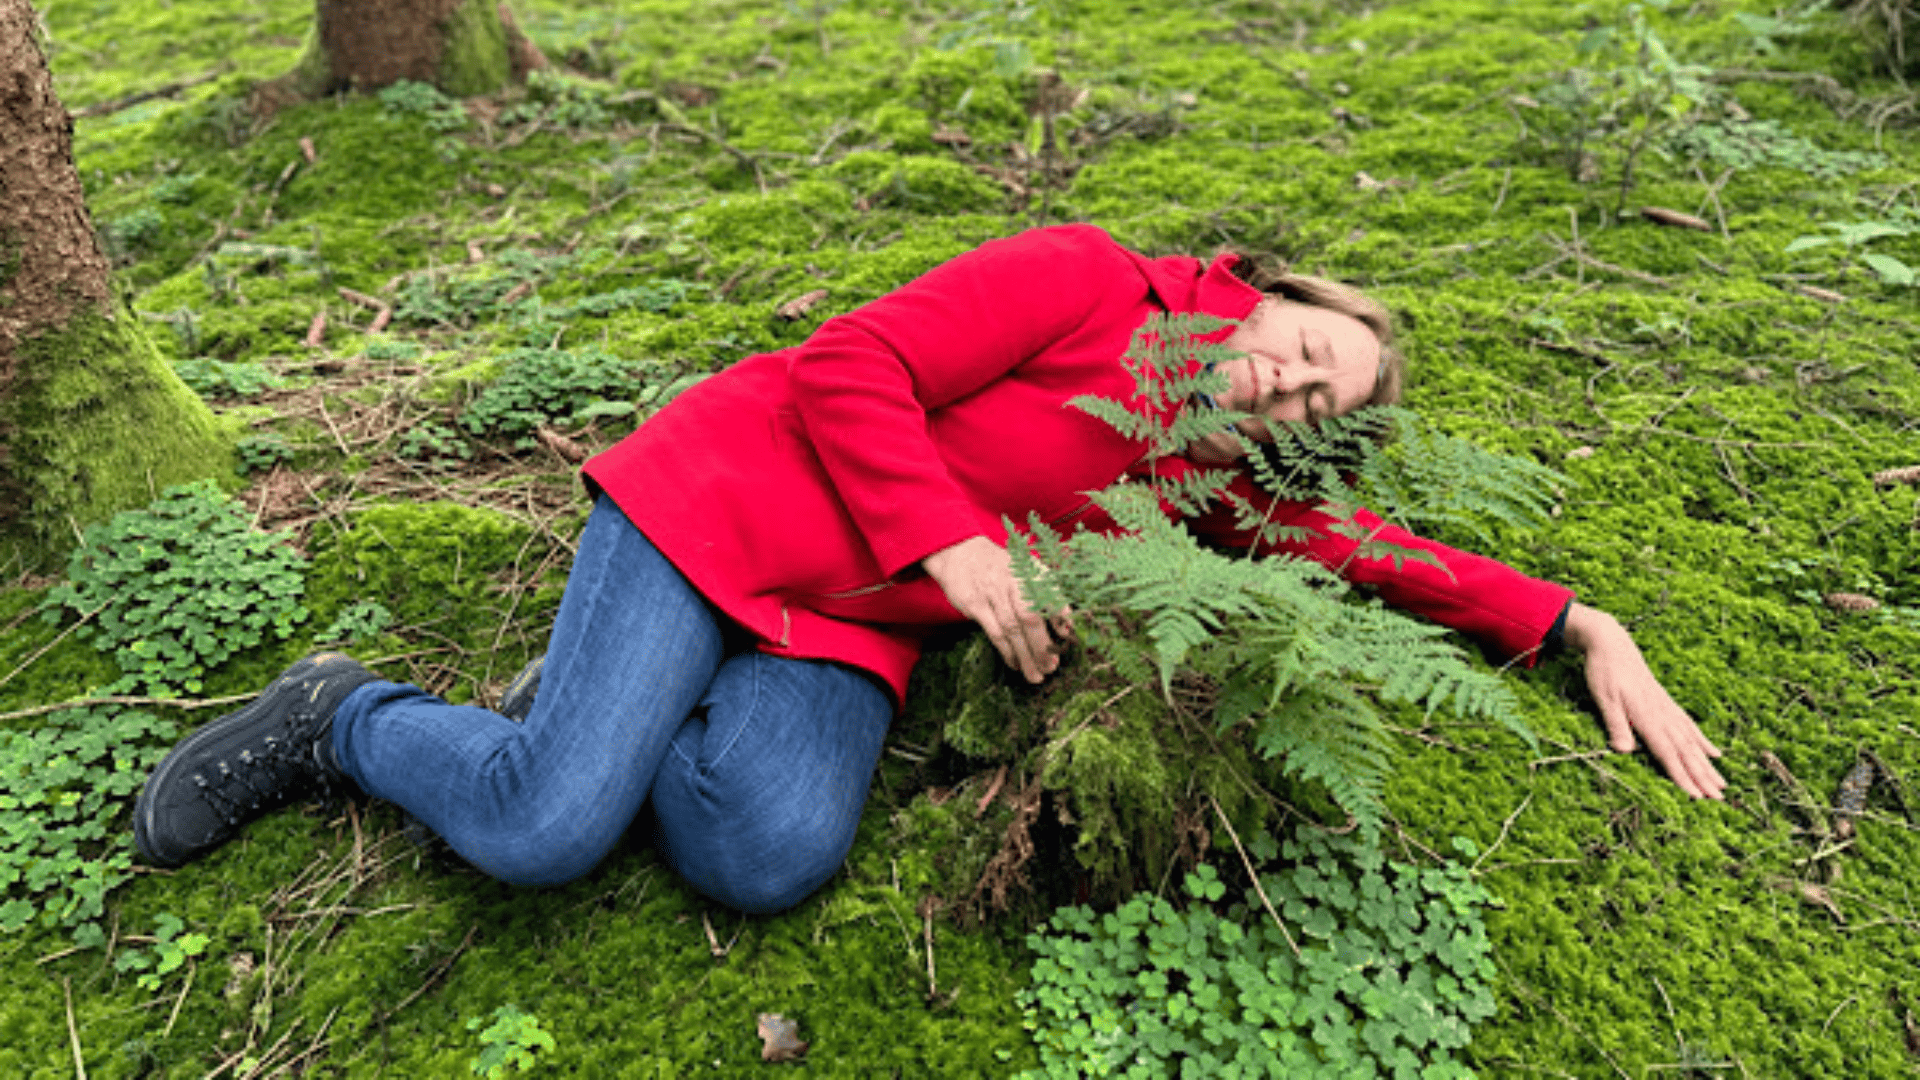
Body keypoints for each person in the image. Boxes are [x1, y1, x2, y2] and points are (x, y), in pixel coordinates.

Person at [131, 224, 1725, 913]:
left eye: (1319, 402)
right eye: (1305, 349)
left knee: (761, 856)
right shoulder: (1090, 283)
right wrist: (955, 536)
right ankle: (340, 717)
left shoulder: (1217, 483)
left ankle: (594, 707)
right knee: (548, 828)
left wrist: (1579, 624)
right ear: (1270, 297)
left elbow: (1374, 553)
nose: (1291, 388)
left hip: (840, 629)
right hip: (724, 508)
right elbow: (847, 365)